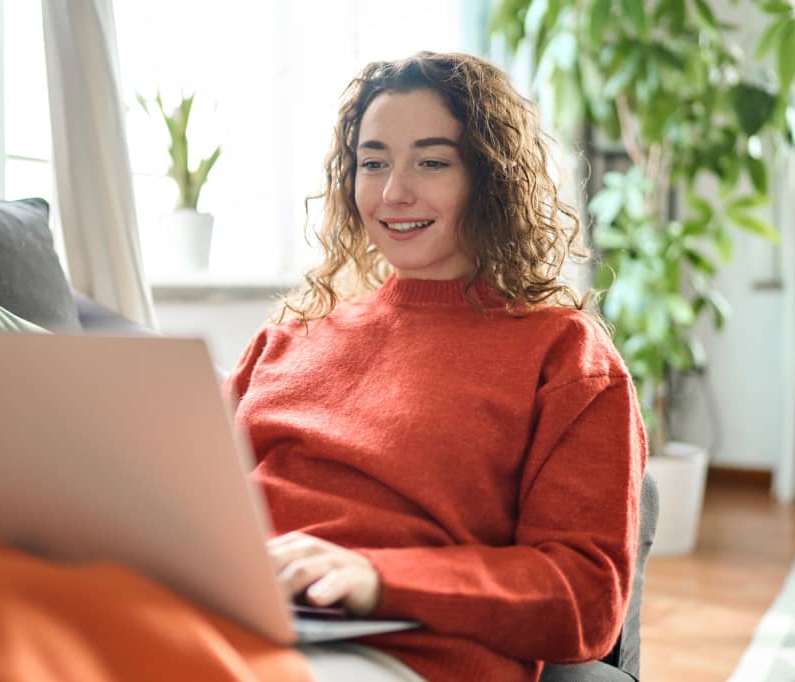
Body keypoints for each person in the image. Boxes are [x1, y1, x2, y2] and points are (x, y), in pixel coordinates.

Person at [225, 51, 647, 682]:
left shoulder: (564, 354)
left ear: (489, 178)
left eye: (431, 162)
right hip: (226, 613)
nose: (394, 192)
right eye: (373, 163)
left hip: (388, 656)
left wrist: (376, 577)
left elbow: (585, 598)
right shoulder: (289, 334)